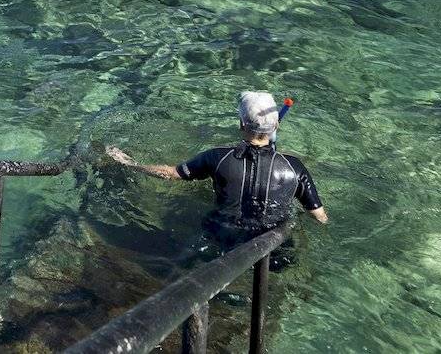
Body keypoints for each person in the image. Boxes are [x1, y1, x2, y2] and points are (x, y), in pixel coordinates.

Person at [107, 91, 326, 266]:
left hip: (223, 242)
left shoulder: (217, 158)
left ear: (241, 124)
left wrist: (130, 164)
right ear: (276, 125)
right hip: (276, 253)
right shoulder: (294, 168)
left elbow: (172, 174)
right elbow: (319, 217)